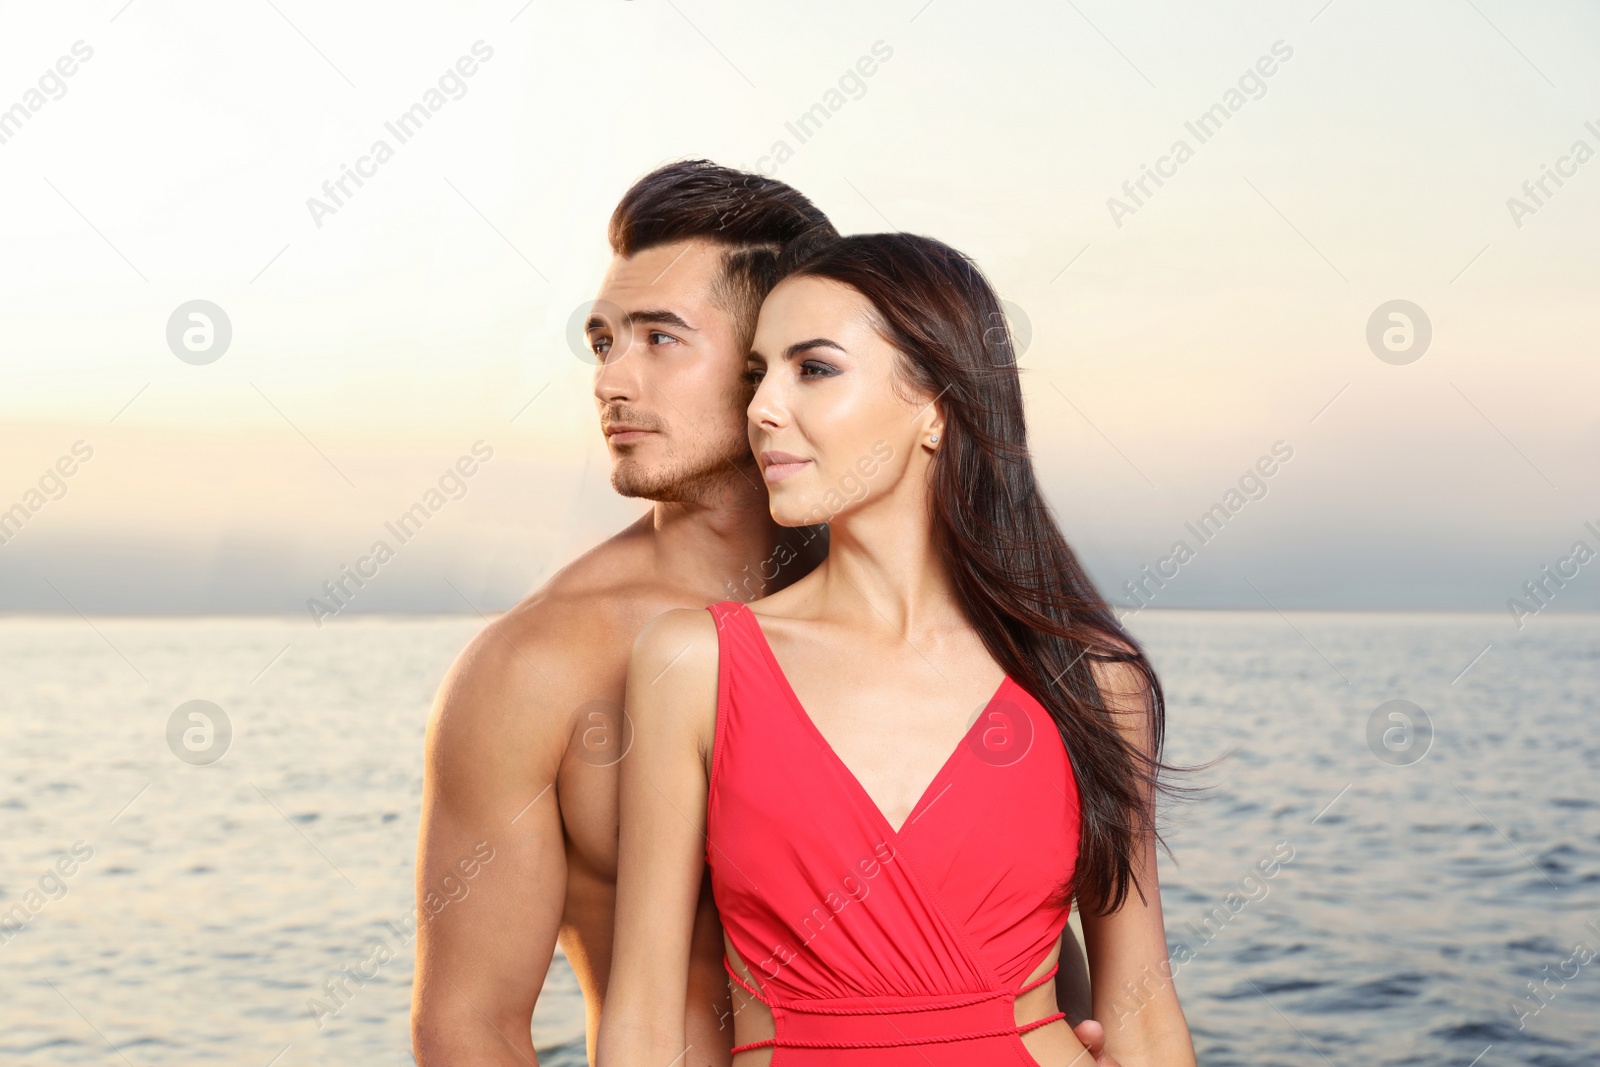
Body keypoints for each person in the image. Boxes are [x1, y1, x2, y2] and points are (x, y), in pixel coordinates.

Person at [411, 159, 1108, 1066]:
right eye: (602, 341)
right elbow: (469, 1027)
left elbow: (1028, 946)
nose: (610, 380)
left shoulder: (940, 620)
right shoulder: (539, 664)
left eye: (660, 339)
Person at [600, 233, 1195, 1064]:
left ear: (937, 406)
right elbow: (644, 1024)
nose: (763, 408)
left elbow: (1142, 1010)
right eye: (757, 374)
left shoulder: (1092, 679)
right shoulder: (695, 663)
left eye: (813, 368)